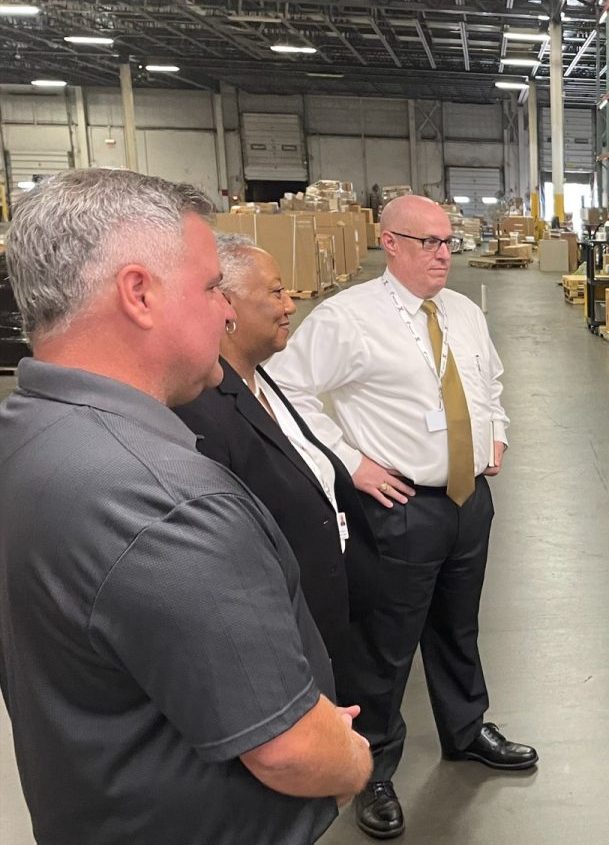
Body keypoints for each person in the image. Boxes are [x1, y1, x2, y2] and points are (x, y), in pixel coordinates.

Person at [0, 168, 371, 844]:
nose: (226, 312)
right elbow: (288, 747)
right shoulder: (170, 500)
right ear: (138, 293)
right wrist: (352, 757)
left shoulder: (29, 433)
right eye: (208, 288)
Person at [267, 194, 536, 840]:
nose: (443, 253)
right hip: (397, 507)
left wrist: (495, 429)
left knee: (457, 626)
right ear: (389, 242)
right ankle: (373, 763)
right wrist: (350, 462)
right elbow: (282, 388)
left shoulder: (465, 312)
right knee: (384, 644)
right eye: (428, 242)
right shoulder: (347, 319)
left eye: (447, 241)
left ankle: (466, 728)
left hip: (468, 501)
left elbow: (490, 382)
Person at [174, 234, 379, 682]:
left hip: (318, 619)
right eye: (275, 292)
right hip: (278, 641)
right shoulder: (203, 409)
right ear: (225, 306)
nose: (290, 305)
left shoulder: (262, 381)